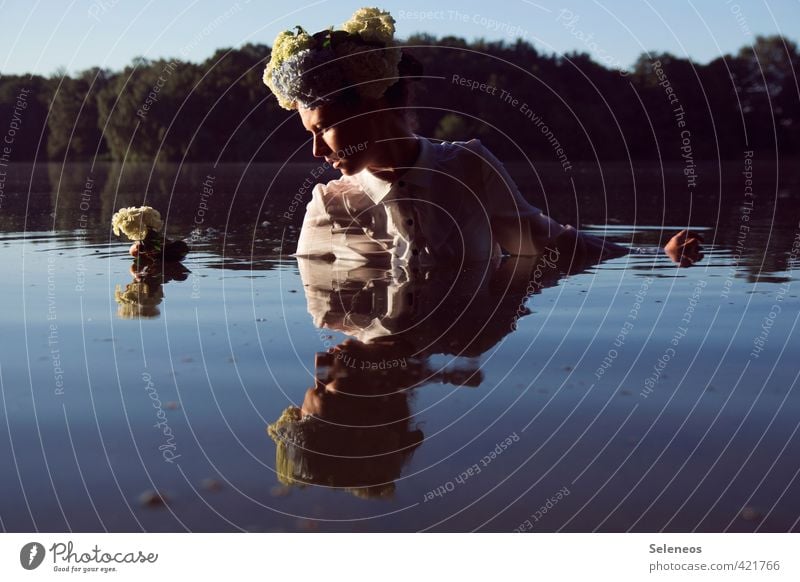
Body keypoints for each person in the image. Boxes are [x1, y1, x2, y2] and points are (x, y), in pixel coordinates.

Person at [263, 8, 703, 269]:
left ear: (373, 104)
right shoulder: (328, 207)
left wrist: (650, 254)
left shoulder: (470, 168)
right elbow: (319, 309)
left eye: (322, 128)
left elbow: (554, 246)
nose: (317, 151)